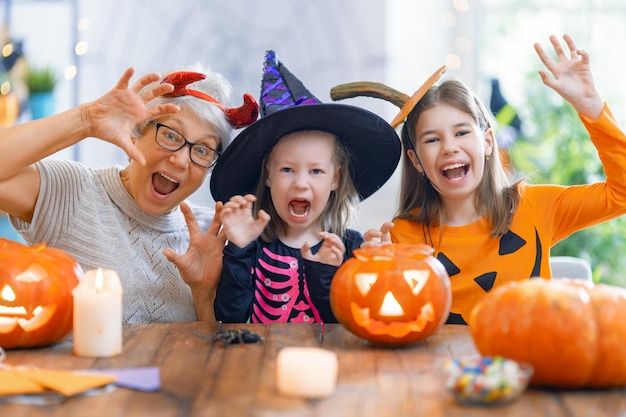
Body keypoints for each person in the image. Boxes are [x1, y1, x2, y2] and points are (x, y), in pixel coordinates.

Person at [361, 34, 626, 325]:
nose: (449, 147)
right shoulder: (400, 237)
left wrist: (591, 107)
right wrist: (377, 271)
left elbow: (621, 193)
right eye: (433, 139)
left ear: (488, 142)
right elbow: (392, 322)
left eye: (462, 132)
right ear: (416, 161)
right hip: (445, 367)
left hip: (529, 362)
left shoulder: (534, 207)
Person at [0, 64, 259, 323]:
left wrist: (204, 293)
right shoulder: (73, 192)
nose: (181, 160)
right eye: (170, 135)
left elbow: (216, 356)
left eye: (202, 150)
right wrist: (86, 120)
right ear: (136, 132)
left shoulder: (211, 237)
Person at [209, 50, 401, 323]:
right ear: (268, 176)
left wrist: (334, 274)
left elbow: (352, 329)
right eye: (287, 169)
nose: (300, 182)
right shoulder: (252, 247)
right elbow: (230, 320)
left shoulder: (352, 248)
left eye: (316, 171)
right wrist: (237, 250)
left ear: (335, 179)